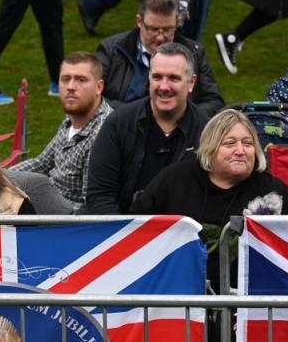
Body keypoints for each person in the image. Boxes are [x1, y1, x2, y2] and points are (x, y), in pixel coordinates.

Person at [132, 108, 288, 290]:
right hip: (181, 295)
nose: (240, 151)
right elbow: (138, 232)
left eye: (248, 143)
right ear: (210, 148)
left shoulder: (273, 191)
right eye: (229, 143)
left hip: (255, 299)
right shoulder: (174, 180)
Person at [86, 42, 209, 214]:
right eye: (157, 77)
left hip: (183, 234)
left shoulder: (207, 132)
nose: (164, 87)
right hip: (121, 230)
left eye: (174, 78)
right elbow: (100, 195)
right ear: (149, 78)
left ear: (191, 82)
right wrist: (124, 237)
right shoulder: (118, 123)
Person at [95, 0, 224, 116]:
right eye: (154, 29)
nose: (160, 37)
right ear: (139, 21)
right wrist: (134, 117)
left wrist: (183, 117)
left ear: (177, 21)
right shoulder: (112, 49)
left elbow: (215, 101)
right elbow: (92, 96)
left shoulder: (194, 53)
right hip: (123, 128)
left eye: (168, 29)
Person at [12, 52, 114, 210]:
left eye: (81, 80)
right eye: (65, 79)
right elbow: (41, 163)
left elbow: (90, 206)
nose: (71, 87)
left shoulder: (103, 133)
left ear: (99, 87)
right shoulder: (72, 119)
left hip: (68, 225)